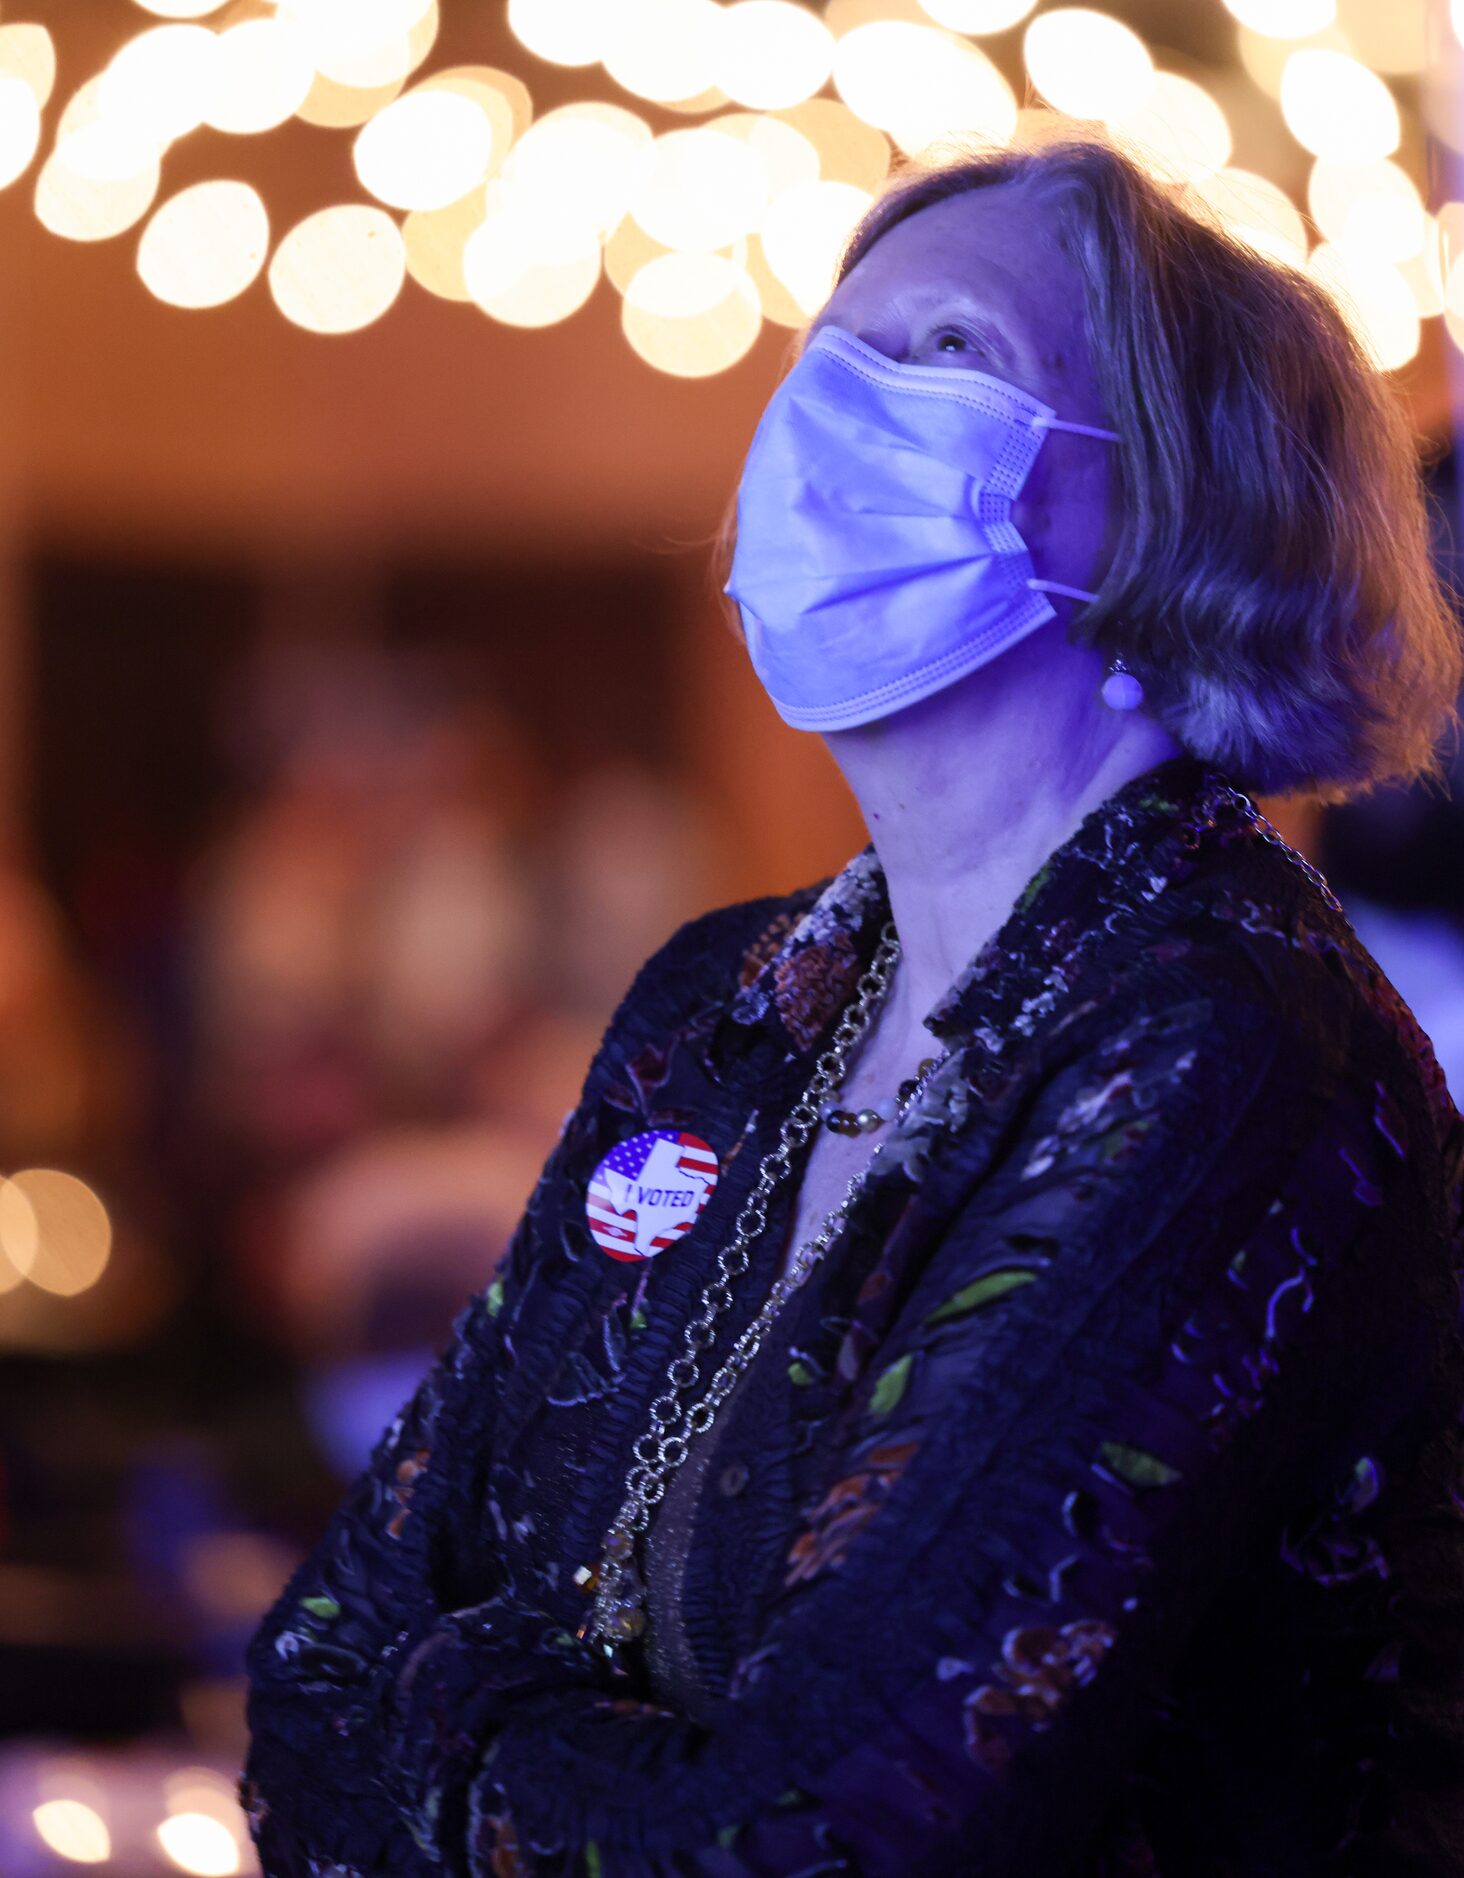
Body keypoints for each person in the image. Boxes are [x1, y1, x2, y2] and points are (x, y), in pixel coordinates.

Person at [241, 136, 1464, 1875]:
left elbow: (836, 1829)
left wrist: (447, 1700)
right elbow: (309, 1673)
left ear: (1171, 500)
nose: (830, 412)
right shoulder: (721, 1001)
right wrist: (541, 1726)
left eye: (948, 352)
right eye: (832, 354)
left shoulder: (1230, 1034)